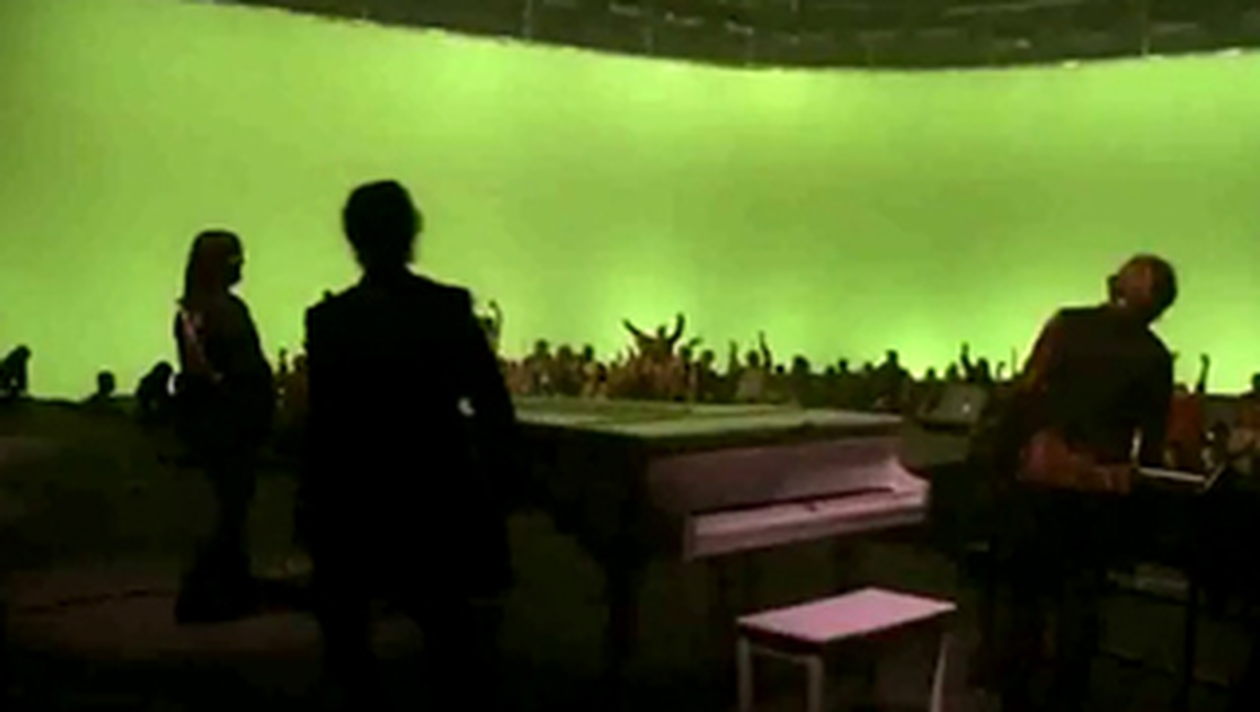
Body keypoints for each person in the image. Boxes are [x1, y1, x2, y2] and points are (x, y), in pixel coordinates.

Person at [299, 180, 520, 708]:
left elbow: (324, 426)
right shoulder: (446, 308)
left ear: (352, 238)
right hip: (436, 496)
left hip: (353, 503)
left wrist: (312, 511)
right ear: (412, 231)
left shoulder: (328, 321)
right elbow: (492, 405)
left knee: (349, 653)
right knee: (453, 644)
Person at [992, 254, 1176, 712]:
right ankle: (1066, 698)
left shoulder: (1068, 325)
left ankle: (1015, 696)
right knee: (1079, 606)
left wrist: (1014, 456)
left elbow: (1025, 393)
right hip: (1098, 493)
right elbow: (1151, 442)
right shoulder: (1155, 357)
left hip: (1041, 481)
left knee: (1025, 601)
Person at [171, 229, 275, 624]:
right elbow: (245, 369)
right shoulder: (227, 310)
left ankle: (224, 589)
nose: (241, 266)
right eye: (235, 259)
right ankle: (211, 592)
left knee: (227, 509)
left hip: (209, 421)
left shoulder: (190, 310)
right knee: (231, 510)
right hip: (233, 421)